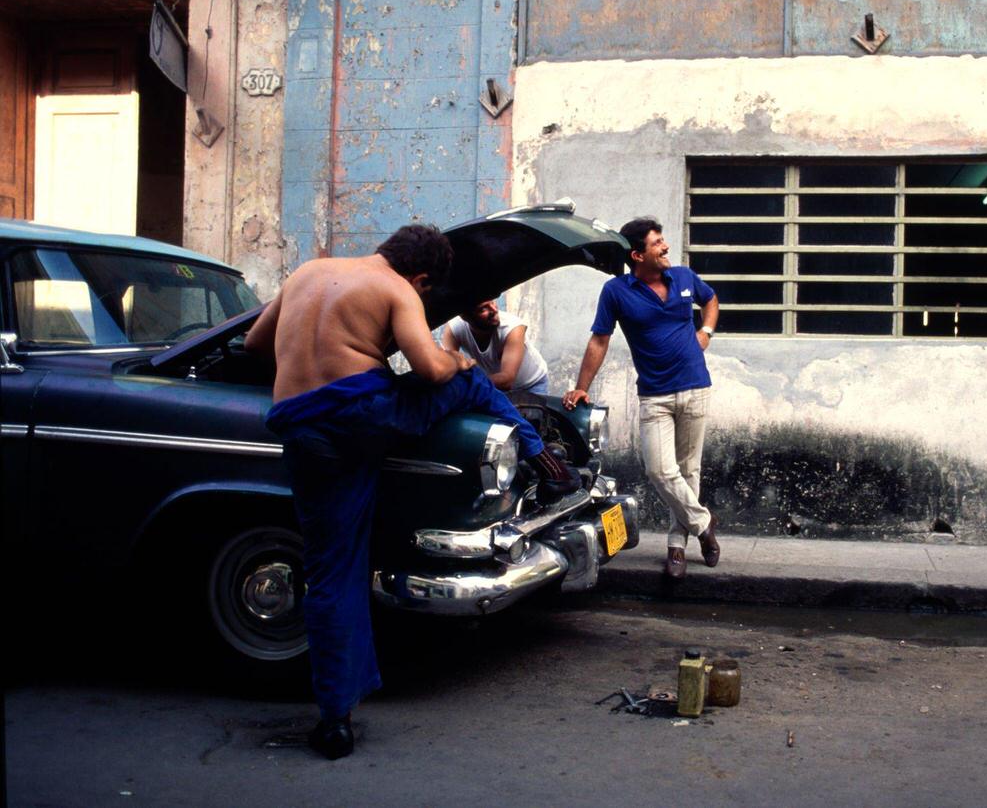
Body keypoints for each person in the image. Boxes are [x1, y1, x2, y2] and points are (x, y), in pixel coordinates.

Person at [244, 224, 579, 760]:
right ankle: (545, 459)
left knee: (329, 567)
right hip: (362, 419)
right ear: (420, 277)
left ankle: (335, 719)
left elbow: (254, 343)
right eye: (427, 291)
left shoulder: (308, 271)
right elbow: (428, 366)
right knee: (467, 380)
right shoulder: (396, 289)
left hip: (300, 428)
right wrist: (458, 361)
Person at [563, 217, 720, 580]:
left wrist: (706, 331)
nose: (666, 247)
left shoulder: (683, 277)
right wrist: (581, 385)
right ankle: (704, 523)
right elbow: (599, 339)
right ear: (637, 254)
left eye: (663, 241)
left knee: (688, 470)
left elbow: (710, 299)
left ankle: (676, 545)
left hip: (696, 386)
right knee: (659, 470)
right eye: (658, 243)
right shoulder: (617, 291)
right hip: (655, 395)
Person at [442, 298, 549, 396]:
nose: (494, 310)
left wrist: (466, 384)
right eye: (483, 308)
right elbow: (445, 368)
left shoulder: (513, 328)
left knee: (532, 417)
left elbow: (506, 380)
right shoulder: (454, 328)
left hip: (531, 385)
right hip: (493, 386)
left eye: (492, 302)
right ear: (465, 316)